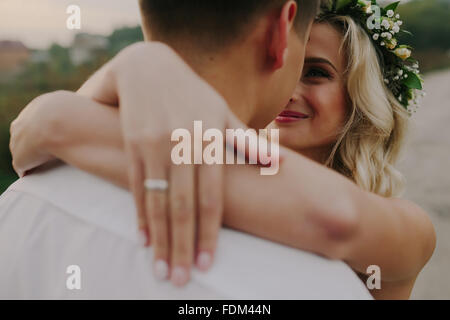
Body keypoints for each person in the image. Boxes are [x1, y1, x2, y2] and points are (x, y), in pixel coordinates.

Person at [6, 0, 436, 299]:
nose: (292, 90)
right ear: (279, 37)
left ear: (361, 98)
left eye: (318, 74)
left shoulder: (408, 228)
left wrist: (55, 117)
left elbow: (335, 218)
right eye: (296, 67)